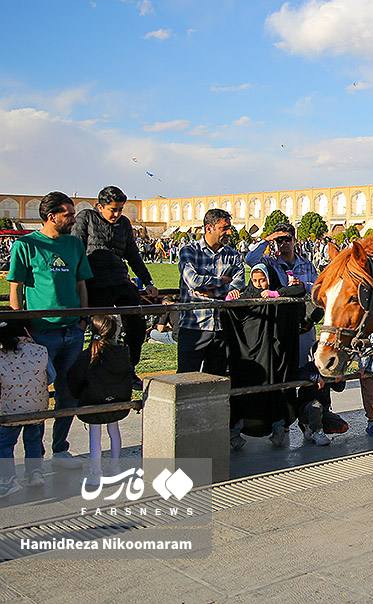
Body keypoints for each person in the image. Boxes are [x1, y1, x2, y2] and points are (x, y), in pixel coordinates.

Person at [6, 192, 93, 470]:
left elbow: (81, 285)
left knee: (68, 393)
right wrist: (22, 329)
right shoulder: (26, 245)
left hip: (72, 331)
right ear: (51, 215)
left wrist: (82, 320)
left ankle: (60, 448)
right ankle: (35, 459)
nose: (72, 218)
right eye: (67, 213)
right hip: (40, 335)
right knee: (36, 396)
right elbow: (15, 290)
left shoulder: (74, 245)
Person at [73, 186, 158, 372]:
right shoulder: (86, 218)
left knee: (136, 326)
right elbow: (76, 250)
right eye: (113, 209)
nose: (117, 214)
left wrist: (148, 281)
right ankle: (97, 371)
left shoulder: (124, 224)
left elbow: (133, 255)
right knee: (102, 331)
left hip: (120, 280)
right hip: (94, 283)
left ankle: (129, 367)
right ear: (99, 206)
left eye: (120, 209)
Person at [225, 264, 301, 449]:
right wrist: (230, 298)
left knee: (273, 390)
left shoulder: (274, 292)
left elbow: (299, 290)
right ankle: (236, 432)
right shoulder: (246, 294)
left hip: (272, 355)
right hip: (249, 355)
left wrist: (276, 294)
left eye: (263, 280)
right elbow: (229, 311)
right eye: (255, 280)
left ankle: (277, 428)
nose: (259, 284)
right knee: (246, 391)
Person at [68, 315, 137, 486]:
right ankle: (115, 466)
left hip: (93, 400)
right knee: (114, 431)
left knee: (95, 435)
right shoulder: (123, 352)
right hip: (118, 400)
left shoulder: (88, 354)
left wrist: (79, 395)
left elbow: (74, 378)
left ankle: (96, 471)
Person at [177, 209, 244, 374]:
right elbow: (193, 281)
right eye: (224, 228)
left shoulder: (232, 254)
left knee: (216, 379)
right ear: (209, 228)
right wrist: (220, 281)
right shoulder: (189, 251)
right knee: (186, 378)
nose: (229, 232)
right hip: (194, 326)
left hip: (221, 327)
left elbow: (239, 283)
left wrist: (213, 293)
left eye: (229, 227)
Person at [245, 223, 319, 367]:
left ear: (294, 240)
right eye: (279, 240)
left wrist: (304, 286)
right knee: (282, 367)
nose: (284, 243)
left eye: (287, 239)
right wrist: (267, 239)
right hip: (279, 323)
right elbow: (250, 259)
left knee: (304, 366)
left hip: (303, 322)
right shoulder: (270, 262)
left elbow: (319, 288)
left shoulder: (306, 264)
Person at [0, 320, 50, 496]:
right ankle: (35, 472)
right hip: (38, 407)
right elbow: (51, 376)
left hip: (9, 409)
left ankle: (7, 479)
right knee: (33, 440)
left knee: (5, 444)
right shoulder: (40, 350)